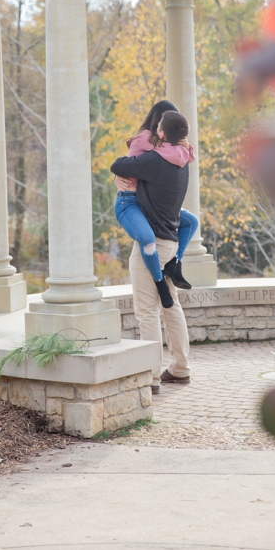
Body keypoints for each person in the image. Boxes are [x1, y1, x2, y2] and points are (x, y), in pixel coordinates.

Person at [110, 108, 196, 388]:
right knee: (171, 305)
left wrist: (118, 179)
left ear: (160, 133)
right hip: (170, 243)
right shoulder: (183, 163)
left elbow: (119, 164)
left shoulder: (153, 161)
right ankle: (180, 368)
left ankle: (150, 377)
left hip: (152, 246)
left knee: (147, 311)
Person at [111, 100, 203, 304]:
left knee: (191, 222)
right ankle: (159, 280)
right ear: (160, 125)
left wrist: (186, 148)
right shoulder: (147, 139)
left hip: (147, 200)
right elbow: (178, 157)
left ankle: (176, 263)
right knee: (147, 238)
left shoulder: (161, 143)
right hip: (130, 200)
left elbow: (181, 157)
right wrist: (186, 147)